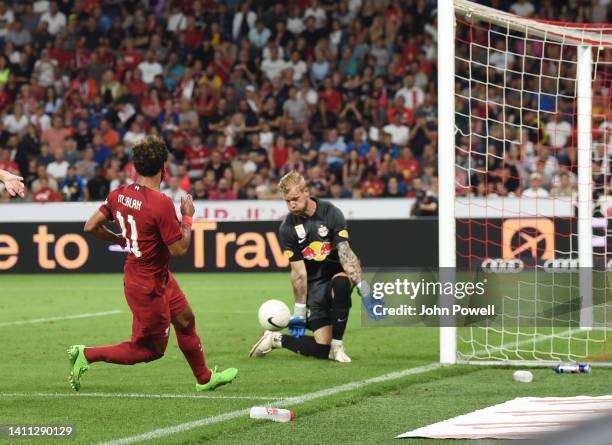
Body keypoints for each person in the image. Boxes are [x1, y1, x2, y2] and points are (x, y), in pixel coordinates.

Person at [69, 136, 237, 392]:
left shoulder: (119, 195)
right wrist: (188, 218)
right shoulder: (160, 204)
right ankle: (87, 354)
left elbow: (90, 226)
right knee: (149, 350)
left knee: (185, 319)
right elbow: (180, 249)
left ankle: (204, 378)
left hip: (156, 276)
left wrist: (120, 239)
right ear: (163, 167)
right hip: (146, 286)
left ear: (135, 166)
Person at [249, 171, 383, 363]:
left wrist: (365, 290)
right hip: (314, 289)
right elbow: (298, 273)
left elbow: (346, 254)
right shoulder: (287, 228)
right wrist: (300, 312)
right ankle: (275, 339)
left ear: (306, 192)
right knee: (321, 350)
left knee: (342, 284)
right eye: (287, 201)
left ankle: (338, 347)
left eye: (295, 198)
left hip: (336, 274)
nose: (291, 204)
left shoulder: (330, 213)